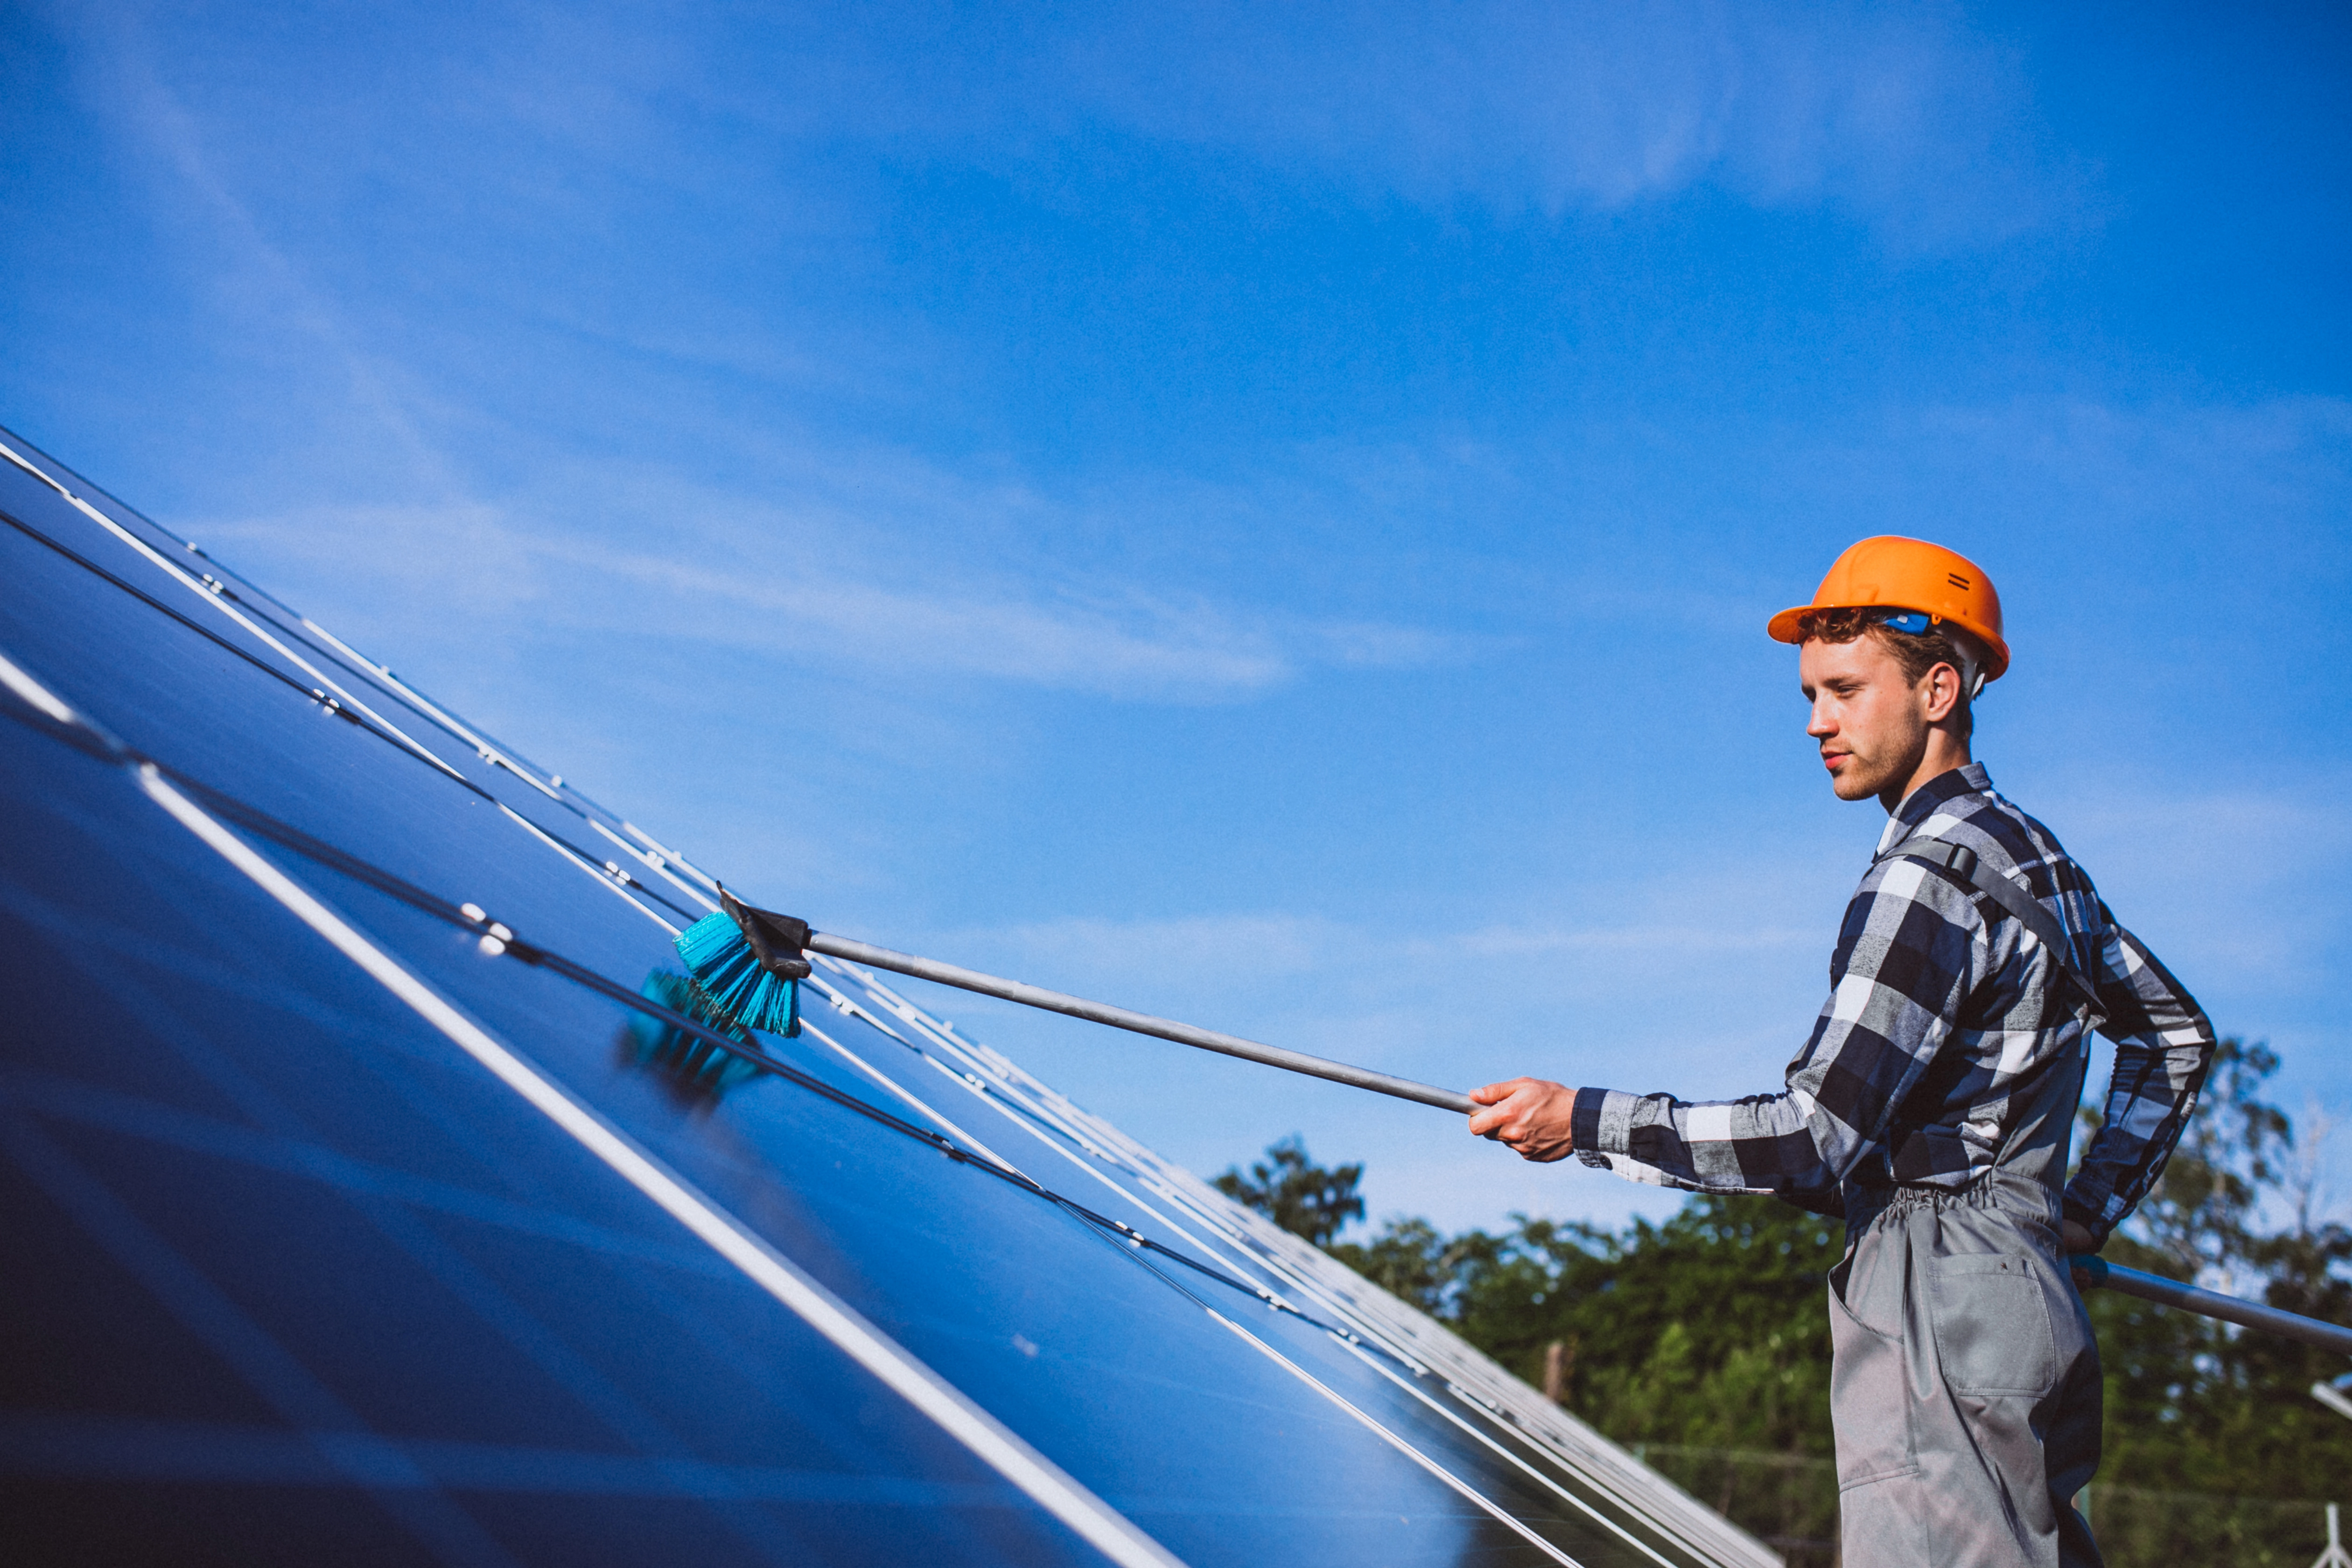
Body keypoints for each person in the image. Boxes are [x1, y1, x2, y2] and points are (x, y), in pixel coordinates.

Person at [1466, 537, 2215, 1568]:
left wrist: (1581, 1120)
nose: (1818, 722)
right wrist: (2076, 1213)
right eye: (1812, 694)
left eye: (1847, 690)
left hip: (1939, 1306)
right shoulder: (2039, 864)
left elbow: (1814, 1136)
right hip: (2023, 1294)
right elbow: (2173, 1036)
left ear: (1940, 686)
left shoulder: (1924, 875)